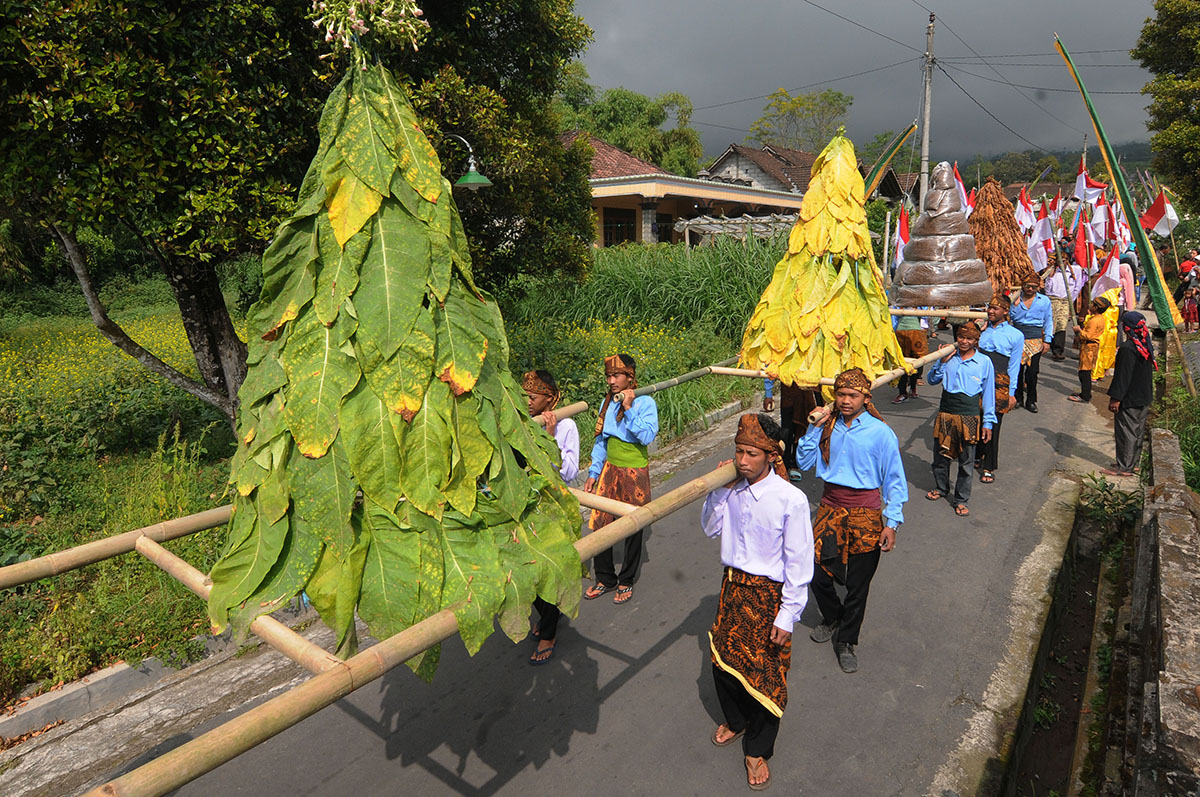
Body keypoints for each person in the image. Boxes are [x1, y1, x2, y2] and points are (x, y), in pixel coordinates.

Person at [703, 413, 814, 792]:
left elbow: (799, 562)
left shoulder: (791, 499)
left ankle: (757, 749)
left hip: (768, 596)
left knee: (766, 675)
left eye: (750, 453)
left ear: (770, 456)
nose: (742, 461)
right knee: (722, 661)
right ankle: (735, 721)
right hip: (732, 588)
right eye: (738, 452)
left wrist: (788, 615)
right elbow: (710, 528)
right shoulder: (730, 489)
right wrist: (718, 490)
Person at [796, 368, 907, 674]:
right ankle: (832, 616)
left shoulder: (880, 433)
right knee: (816, 571)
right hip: (831, 507)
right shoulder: (827, 427)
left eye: (852, 396)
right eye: (840, 395)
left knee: (858, 583)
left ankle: (847, 640)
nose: (845, 401)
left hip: (866, 512)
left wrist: (891, 522)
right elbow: (804, 462)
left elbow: (895, 480)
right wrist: (814, 427)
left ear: (865, 398)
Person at [584, 354, 659, 605]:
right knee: (600, 522)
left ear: (630, 377)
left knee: (633, 525)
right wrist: (594, 472)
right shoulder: (608, 403)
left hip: (634, 472)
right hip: (610, 469)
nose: (612, 380)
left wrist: (628, 409)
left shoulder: (645, 402)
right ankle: (605, 578)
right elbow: (601, 441)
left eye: (616, 376)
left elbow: (646, 436)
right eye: (608, 376)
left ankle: (626, 579)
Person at [523, 370, 579, 665]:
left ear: (549, 398)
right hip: (533, 506)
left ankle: (548, 632)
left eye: (533, 397)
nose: (528, 402)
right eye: (525, 397)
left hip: (556, 506)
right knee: (532, 570)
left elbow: (568, 472)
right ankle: (546, 618)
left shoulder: (566, 425)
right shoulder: (524, 424)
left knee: (551, 569)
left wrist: (548, 440)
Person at [925, 323, 995, 516]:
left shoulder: (983, 362)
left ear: (976, 341)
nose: (964, 341)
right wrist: (941, 362)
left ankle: (961, 499)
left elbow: (988, 394)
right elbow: (931, 380)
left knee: (966, 461)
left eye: (969, 339)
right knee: (941, 455)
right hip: (946, 413)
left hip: (969, 416)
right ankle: (941, 488)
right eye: (961, 338)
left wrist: (988, 423)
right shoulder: (949, 357)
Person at [1102, 312, 1157, 477]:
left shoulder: (1128, 349)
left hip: (1130, 397)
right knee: (1138, 431)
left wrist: (1116, 398)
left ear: (1125, 327)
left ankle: (1124, 467)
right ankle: (1133, 463)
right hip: (1144, 395)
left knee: (1126, 431)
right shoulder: (1145, 344)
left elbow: (1123, 376)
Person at [975, 294, 1023, 483]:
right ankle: (978, 455)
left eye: (995, 308)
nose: (990, 311)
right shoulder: (982, 330)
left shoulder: (1015, 335)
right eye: (989, 308)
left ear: (1005, 311)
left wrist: (1011, 392)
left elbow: (1014, 365)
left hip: (1000, 380)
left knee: (994, 420)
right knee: (977, 417)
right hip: (979, 378)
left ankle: (989, 465)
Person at [1010, 274, 1053, 413]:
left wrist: (1047, 340)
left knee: (1032, 372)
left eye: (1033, 287)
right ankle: (1018, 398)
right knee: (1017, 370)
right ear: (1023, 286)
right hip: (1017, 337)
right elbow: (1009, 317)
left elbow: (1048, 321)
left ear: (1038, 287)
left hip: (1035, 339)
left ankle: (1031, 400)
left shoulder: (1044, 301)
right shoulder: (1015, 299)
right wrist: (1014, 306)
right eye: (1027, 286)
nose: (1030, 289)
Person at [1070, 297, 1111, 403]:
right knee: (1085, 371)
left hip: (1089, 347)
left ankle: (1085, 395)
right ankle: (1084, 393)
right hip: (1092, 347)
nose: (1090, 305)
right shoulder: (1100, 318)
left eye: (1093, 304)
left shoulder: (1095, 321)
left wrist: (1079, 330)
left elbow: (1088, 336)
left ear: (1096, 307)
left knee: (1084, 372)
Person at [1045, 254, 1080, 361]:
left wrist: (1070, 301)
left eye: (1064, 261)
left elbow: (1075, 288)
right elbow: (1047, 288)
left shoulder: (1071, 273)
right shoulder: (1053, 273)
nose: (1062, 263)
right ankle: (1048, 343)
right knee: (1052, 323)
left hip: (1064, 301)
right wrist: (1050, 277)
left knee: (1062, 324)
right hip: (1053, 299)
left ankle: (1058, 351)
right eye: (1060, 261)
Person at [891, 308, 929, 403]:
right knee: (901, 363)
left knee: (917, 361)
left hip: (916, 332)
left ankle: (913, 387)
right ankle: (902, 392)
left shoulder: (919, 303)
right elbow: (893, 317)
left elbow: (925, 314)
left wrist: (923, 330)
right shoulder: (899, 303)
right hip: (900, 332)